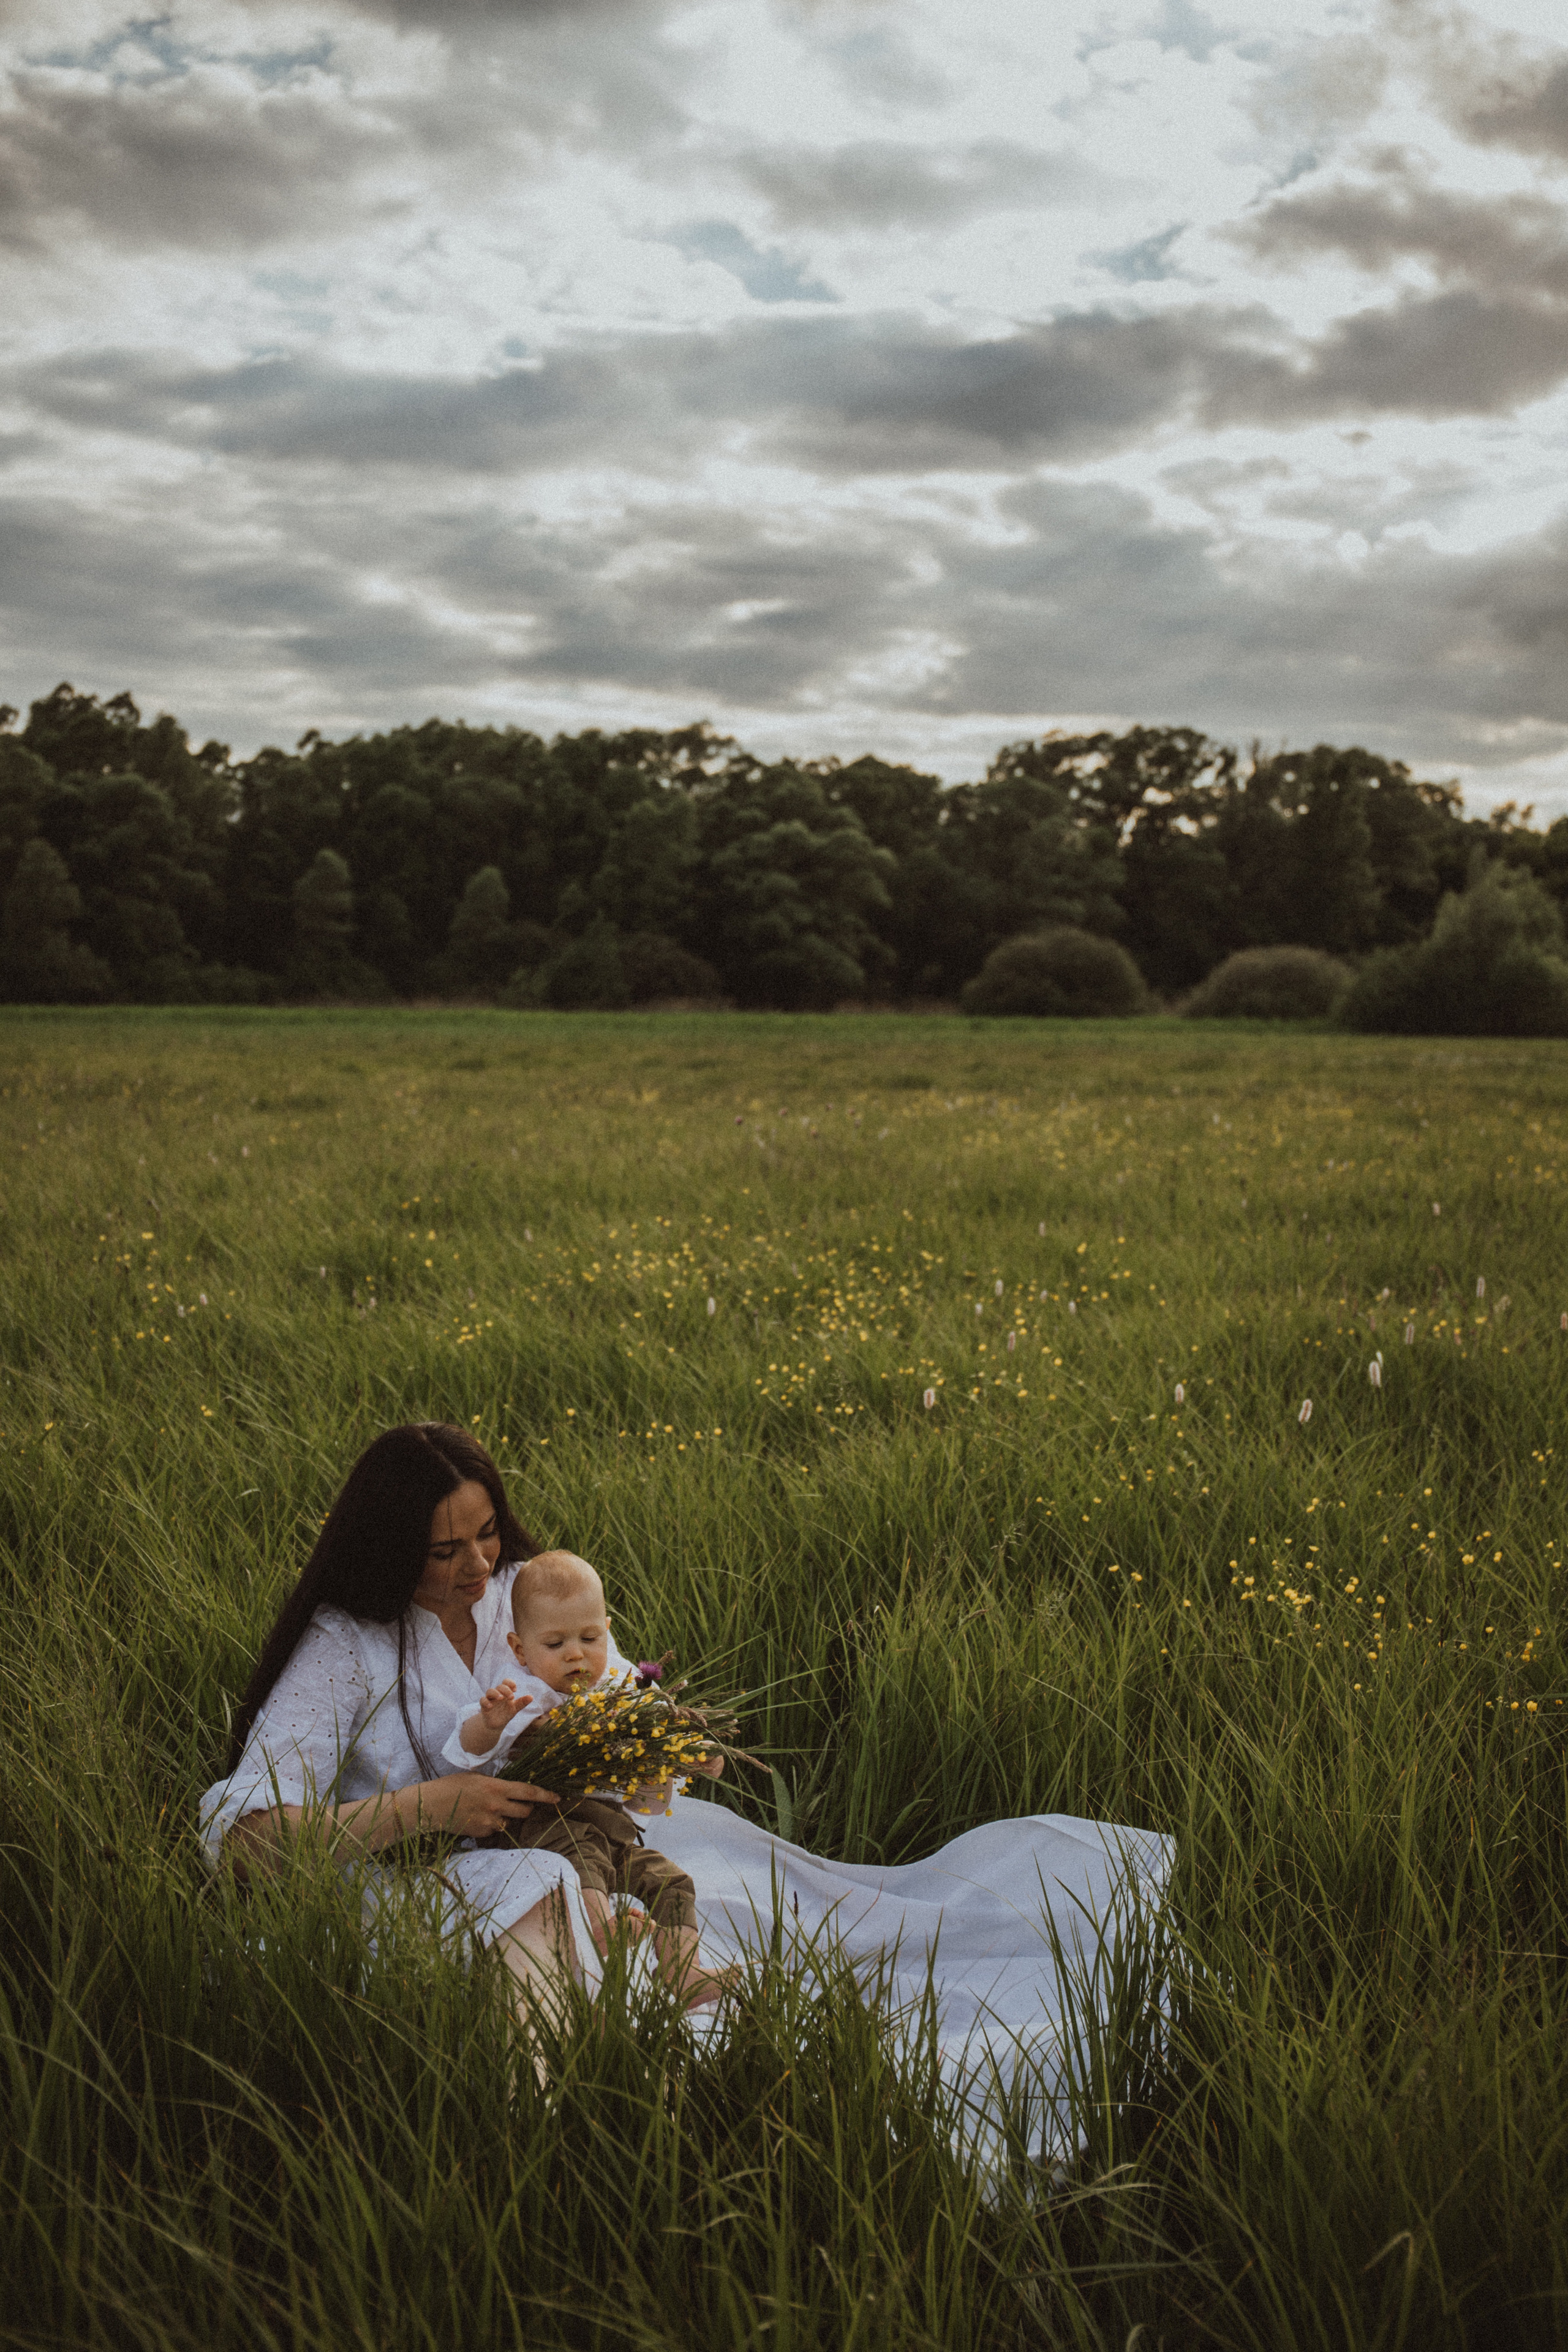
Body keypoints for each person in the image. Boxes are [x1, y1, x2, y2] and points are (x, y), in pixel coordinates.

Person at [198, 1423, 619, 2029]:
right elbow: (249, 1843)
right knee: (542, 1885)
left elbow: (616, 1688)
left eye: (489, 1532)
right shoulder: (345, 1645)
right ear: (391, 1549)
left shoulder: (520, 1590)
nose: (477, 1565)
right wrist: (426, 1807)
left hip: (563, 1842)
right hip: (406, 1883)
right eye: (444, 1552)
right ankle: (530, 2102)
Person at [446, 1548, 734, 2008]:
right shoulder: (524, 1690)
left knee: (670, 1879)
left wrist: (694, 1755)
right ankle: (597, 1929)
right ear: (521, 1649)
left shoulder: (620, 1685)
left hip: (610, 1831)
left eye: (590, 1637)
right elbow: (464, 1750)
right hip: (543, 1825)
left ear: (608, 1632)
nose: (576, 1654)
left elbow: (661, 1738)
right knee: (577, 1856)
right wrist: (491, 1723)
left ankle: (684, 1972)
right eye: (555, 1644)